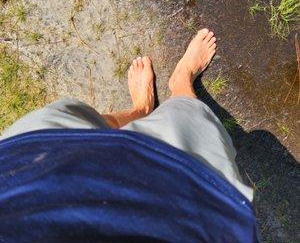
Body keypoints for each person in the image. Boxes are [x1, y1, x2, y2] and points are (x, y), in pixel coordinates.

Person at [0, 28, 260, 242]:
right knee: (186, 142)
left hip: (16, 179)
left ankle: (141, 109)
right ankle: (180, 86)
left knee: (79, 130)